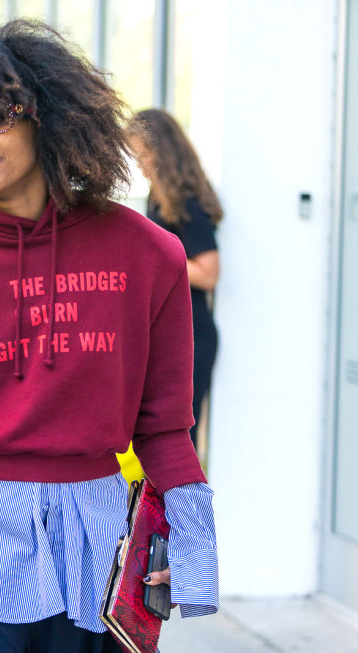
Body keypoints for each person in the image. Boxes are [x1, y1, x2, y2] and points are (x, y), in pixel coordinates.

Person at [0, 20, 218, 652]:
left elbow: (165, 425)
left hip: (100, 556)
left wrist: (190, 539)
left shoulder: (147, 253)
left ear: (46, 117)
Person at [128, 109, 222, 448]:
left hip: (195, 336)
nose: (139, 164)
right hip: (173, 333)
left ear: (163, 151)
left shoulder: (186, 200)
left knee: (180, 439)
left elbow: (209, 273)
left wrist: (157, 253)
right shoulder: (159, 196)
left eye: (144, 154)